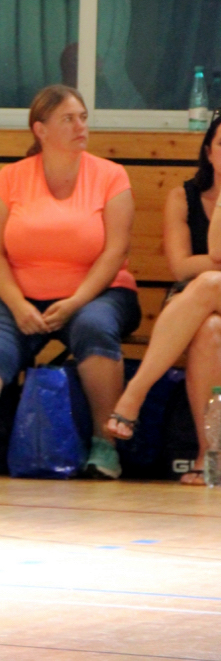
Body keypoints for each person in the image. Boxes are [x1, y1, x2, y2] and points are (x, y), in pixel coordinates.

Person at [0, 84, 139, 481]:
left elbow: (115, 251)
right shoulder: (11, 178)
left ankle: (105, 446)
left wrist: (75, 302)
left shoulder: (111, 176)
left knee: (94, 327)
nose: (81, 126)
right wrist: (18, 305)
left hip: (96, 294)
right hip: (17, 296)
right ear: (41, 129)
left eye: (83, 118)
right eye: (68, 119)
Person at [107, 114, 221, 482]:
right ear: (209, 152)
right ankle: (210, 453)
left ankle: (135, 392)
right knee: (209, 330)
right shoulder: (183, 197)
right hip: (195, 299)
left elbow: (209, 258)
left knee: (209, 283)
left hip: (206, 288)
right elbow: (183, 266)